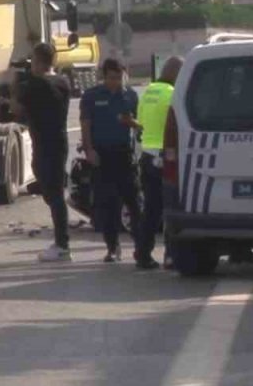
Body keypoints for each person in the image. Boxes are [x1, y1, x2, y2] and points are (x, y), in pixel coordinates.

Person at [81, 58, 158, 270]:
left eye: (119, 77)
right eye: (112, 78)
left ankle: (140, 247)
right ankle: (112, 247)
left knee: (134, 202)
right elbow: (86, 125)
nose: (116, 82)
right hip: (101, 155)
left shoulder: (130, 96)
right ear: (104, 76)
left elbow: (140, 125)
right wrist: (89, 150)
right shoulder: (92, 96)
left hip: (124, 155)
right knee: (108, 204)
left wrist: (131, 123)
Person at [14, 42, 73, 263]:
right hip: (58, 141)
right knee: (54, 193)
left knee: (55, 196)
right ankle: (61, 242)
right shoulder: (63, 82)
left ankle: (62, 245)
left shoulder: (36, 86)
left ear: (38, 61)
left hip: (46, 145)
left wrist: (17, 85)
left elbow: (17, 110)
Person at [137, 56, 183, 269]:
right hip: (166, 158)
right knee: (171, 208)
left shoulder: (148, 91)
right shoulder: (173, 94)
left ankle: (143, 253)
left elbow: (141, 122)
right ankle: (171, 255)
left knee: (151, 210)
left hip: (147, 155)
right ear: (175, 74)